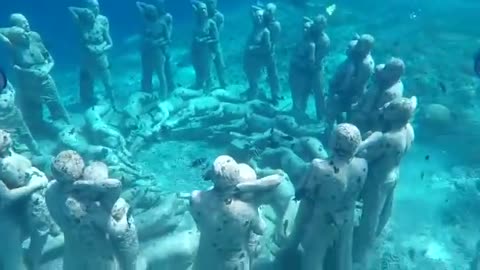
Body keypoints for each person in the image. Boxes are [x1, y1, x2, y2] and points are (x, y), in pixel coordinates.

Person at [277, 123, 367, 270]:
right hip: (347, 216)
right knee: (344, 255)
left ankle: (289, 249)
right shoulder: (363, 164)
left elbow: (304, 191)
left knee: (313, 256)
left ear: (335, 142)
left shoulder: (319, 166)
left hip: (323, 219)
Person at [353, 97, 416, 268]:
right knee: (386, 209)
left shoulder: (389, 138)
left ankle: (361, 254)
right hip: (394, 174)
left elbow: (368, 157)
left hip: (378, 179)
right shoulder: (409, 129)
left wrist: (361, 145)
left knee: (370, 216)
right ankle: (376, 236)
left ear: (396, 116)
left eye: (389, 108)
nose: (384, 107)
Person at [0, 22, 70, 131]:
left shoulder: (35, 38)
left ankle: (65, 126)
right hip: (28, 84)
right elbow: (15, 67)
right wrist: (30, 72)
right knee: (33, 108)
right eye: (22, 24)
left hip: (44, 79)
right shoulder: (13, 46)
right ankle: (38, 127)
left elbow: (50, 59)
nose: (26, 27)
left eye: (26, 22)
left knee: (55, 102)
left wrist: (46, 69)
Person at [69, 0, 115, 107]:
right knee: (87, 80)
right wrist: (84, 11)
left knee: (107, 79)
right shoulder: (82, 21)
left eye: (97, 6)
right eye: (93, 6)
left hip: (100, 55)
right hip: (87, 57)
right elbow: (71, 9)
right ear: (87, 8)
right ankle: (88, 103)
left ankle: (112, 101)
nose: (96, 8)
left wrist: (101, 49)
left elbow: (107, 39)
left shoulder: (103, 21)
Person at [137, 0, 175, 98]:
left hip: (161, 49)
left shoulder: (166, 18)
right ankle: (146, 92)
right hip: (147, 51)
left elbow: (168, 37)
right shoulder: (147, 19)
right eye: (158, 4)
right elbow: (138, 3)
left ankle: (169, 90)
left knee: (164, 71)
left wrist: (158, 43)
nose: (160, 6)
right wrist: (147, 6)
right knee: (147, 72)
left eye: (162, 3)